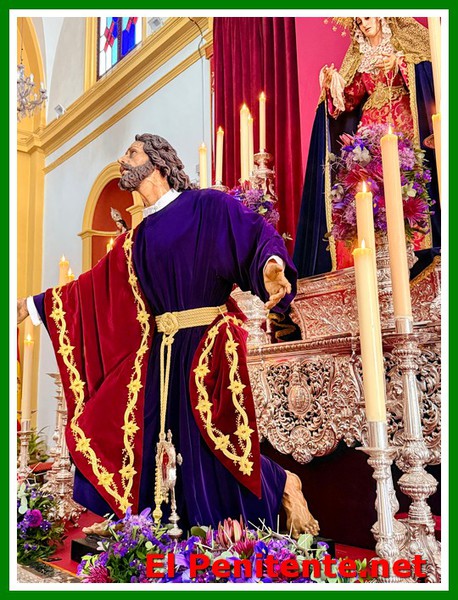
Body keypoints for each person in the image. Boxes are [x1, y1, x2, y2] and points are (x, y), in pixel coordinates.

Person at [17, 134, 319, 538]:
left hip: (205, 345)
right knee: (144, 433)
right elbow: (93, 288)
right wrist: (33, 305)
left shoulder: (207, 206)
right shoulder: (136, 238)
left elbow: (253, 235)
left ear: (158, 164)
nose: (123, 160)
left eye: (132, 153)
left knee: (209, 439)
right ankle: (144, 517)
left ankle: (280, 484)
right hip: (159, 350)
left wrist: (270, 266)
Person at [293, 17, 441, 276]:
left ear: (381, 17)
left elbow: (429, 70)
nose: (363, 25)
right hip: (370, 128)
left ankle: (415, 247)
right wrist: (333, 85)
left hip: (401, 121)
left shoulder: (401, 43)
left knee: (404, 182)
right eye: (359, 23)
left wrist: (401, 63)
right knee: (368, 187)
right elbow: (349, 100)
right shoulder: (362, 56)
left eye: (367, 19)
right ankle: (373, 250)